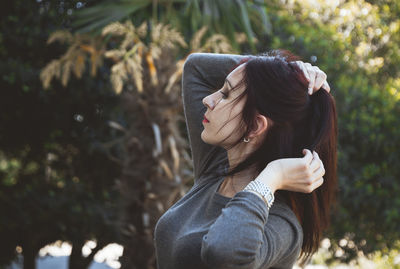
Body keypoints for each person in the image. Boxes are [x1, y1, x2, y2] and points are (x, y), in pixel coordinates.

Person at [154, 49, 337, 269]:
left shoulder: (281, 224)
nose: (207, 100)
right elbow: (196, 68)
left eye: (225, 95)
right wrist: (286, 69)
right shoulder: (216, 170)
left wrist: (273, 176)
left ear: (254, 126)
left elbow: (224, 253)